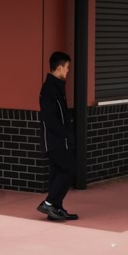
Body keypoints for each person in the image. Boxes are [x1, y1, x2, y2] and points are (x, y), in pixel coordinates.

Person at [38, 51, 79, 221]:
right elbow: (50, 118)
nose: (68, 71)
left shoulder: (56, 86)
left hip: (60, 139)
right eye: (67, 67)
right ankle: (48, 204)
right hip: (56, 141)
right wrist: (66, 135)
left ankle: (56, 209)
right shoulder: (49, 89)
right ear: (60, 67)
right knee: (69, 169)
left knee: (57, 172)